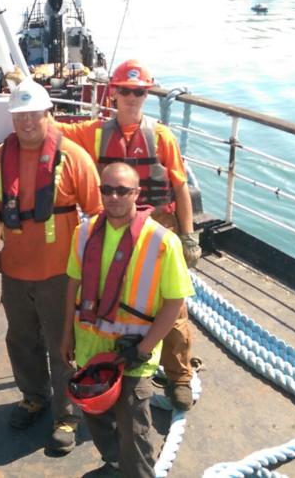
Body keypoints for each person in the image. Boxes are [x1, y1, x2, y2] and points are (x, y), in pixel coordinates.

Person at [56, 58, 200, 410]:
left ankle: (178, 376)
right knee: (116, 298)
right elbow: (51, 130)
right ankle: (116, 364)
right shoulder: (94, 132)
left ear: (146, 96)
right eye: (125, 91)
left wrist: (188, 235)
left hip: (157, 228)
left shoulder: (161, 136)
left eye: (139, 92)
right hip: (114, 225)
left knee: (174, 307)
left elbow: (180, 187)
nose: (132, 98)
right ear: (113, 93)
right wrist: (24, 97)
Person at [0, 78, 103, 454]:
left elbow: (98, 214)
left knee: (62, 345)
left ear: (48, 114)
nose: (27, 122)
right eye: (20, 116)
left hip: (60, 275)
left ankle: (66, 413)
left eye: (34, 114)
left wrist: (92, 271)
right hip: (15, 272)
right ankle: (33, 397)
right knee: (20, 339)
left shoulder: (74, 157)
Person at [60, 163, 194, 478]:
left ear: (136, 193)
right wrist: (66, 335)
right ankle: (115, 464)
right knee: (95, 415)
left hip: (134, 352)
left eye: (122, 190)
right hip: (91, 348)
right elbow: (72, 285)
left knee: (134, 426)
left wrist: (145, 348)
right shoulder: (84, 233)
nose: (114, 196)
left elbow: (175, 301)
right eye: (107, 189)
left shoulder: (163, 242)